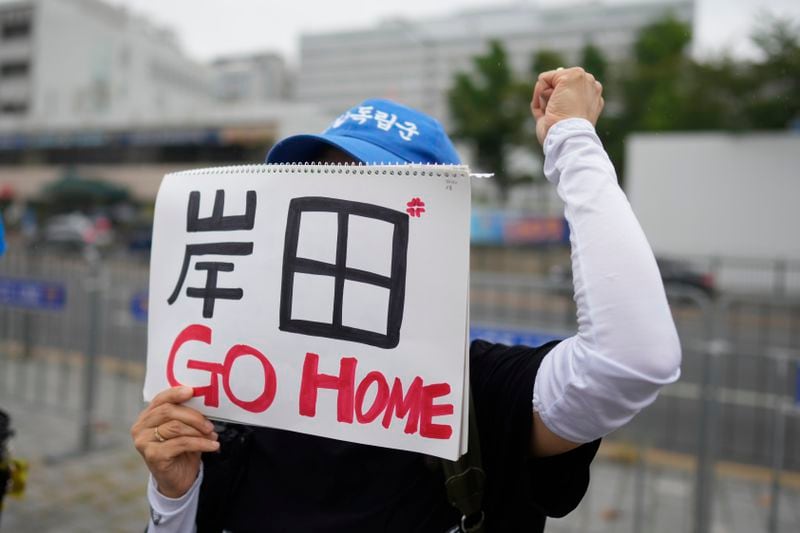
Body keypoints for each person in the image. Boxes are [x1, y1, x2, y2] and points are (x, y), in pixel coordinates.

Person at [132, 67, 681, 532]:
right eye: (312, 186)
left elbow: (632, 359)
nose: (329, 220)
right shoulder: (239, 392)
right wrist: (173, 496)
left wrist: (572, 139)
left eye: (367, 193)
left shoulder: (470, 396)